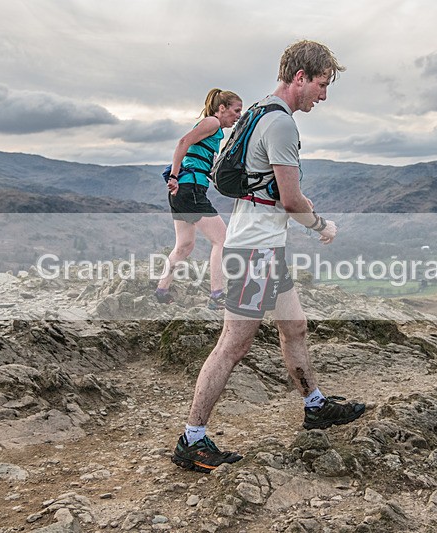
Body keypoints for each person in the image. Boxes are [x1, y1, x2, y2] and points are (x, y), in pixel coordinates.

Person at [171, 41, 365, 473]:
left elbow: (271, 188)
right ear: (300, 77)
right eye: (322, 84)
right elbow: (292, 200)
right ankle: (192, 439)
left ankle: (314, 405)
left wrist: (295, 206)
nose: (323, 95)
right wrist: (321, 225)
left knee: (294, 326)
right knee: (234, 344)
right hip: (254, 250)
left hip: (263, 245)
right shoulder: (280, 124)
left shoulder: (260, 111)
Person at [154, 88, 242, 310]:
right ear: (221, 108)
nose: (238, 116)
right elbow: (183, 142)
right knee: (222, 240)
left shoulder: (216, 131)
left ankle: (161, 291)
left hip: (184, 192)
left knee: (184, 245)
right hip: (189, 189)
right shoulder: (212, 122)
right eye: (236, 110)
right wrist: (174, 176)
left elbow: (199, 159)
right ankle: (217, 296)